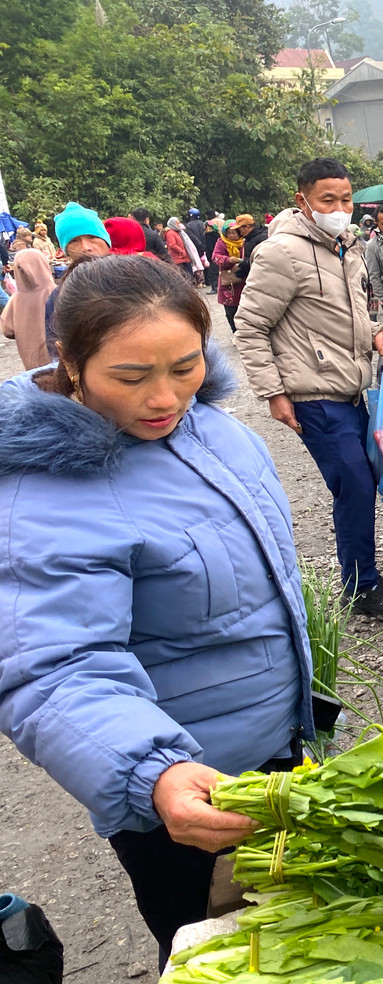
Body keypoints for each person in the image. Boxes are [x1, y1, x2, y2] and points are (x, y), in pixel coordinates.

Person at [0, 256, 315, 966]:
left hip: (274, 756)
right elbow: (51, 670)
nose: (165, 397)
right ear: (71, 364)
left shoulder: (213, 433)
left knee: (302, 935)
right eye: (132, 377)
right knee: (219, 950)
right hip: (180, 798)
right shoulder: (44, 492)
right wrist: (153, 773)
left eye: (185, 365)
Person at [234, 157, 383, 617]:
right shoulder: (281, 253)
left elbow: (347, 316)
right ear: (303, 201)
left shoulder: (346, 248)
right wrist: (273, 393)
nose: (339, 209)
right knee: (354, 486)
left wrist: (376, 334)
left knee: (363, 482)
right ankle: (361, 587)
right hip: (312, 395)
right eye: (327, 200)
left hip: (350, 389)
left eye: (346, 200)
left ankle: (362, 576)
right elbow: (250, 327)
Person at [43, 202, 113, 361]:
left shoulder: (133, 278)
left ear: (106, 240)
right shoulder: (61, 296)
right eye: (74, 240)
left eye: (92, 237)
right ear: (65, 250)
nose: (86, 247)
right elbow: (57, 350)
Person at [1, 251, 57, 369]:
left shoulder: (16, 299)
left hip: (31, 366)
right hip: (59, 362)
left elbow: (7, 330)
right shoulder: (57, 292)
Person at [211, 214, 255, 332]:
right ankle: (235, 331)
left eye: (234, 232)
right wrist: (228, 260)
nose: (231, 235)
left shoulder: (245, 242)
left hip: (243, 279)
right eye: (229, 233)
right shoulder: (221, 243)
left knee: (245, 308)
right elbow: (215, 257)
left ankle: (245, 332)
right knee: (230, 311)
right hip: (228, 282)